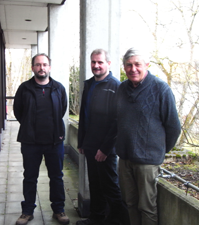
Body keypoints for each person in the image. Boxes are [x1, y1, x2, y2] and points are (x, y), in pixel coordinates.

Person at [116, 48, 181, 225]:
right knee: (130, 203)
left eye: (137, 64)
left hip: (147, 162)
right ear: (124, 67)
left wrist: (158, 151)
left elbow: (174, 127)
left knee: (147, 207)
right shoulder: (122, 88)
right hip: (125, 159)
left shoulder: (161, 89)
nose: (133, 69)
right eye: (129, 65)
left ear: (147, 65)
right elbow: (118, 120)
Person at [13, 53, 69, 225]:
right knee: (30, 177)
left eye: (44, 64)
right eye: (38, 65)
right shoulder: (24, 88)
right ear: (33, 68)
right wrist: (30, 126)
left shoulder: (58, 88)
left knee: (57, 177)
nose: (41, 68)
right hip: (31, 143)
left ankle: (58, 210)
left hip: (54, 142)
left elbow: (62, 110)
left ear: (49, 67)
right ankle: (27, 211)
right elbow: (18, 111)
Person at [77, 49, 130, 225]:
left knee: (110, 187)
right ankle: (96, 218)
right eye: (93, 62)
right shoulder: (89, 84)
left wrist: (105, 148)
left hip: (105, 149)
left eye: (100, 62)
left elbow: (118, 121)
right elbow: (83, 116)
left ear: (108, 63)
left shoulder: (116, 86)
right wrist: (81, 141)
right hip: (90, 145)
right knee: (94, 184)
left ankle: (119, 221)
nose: (96, 65)